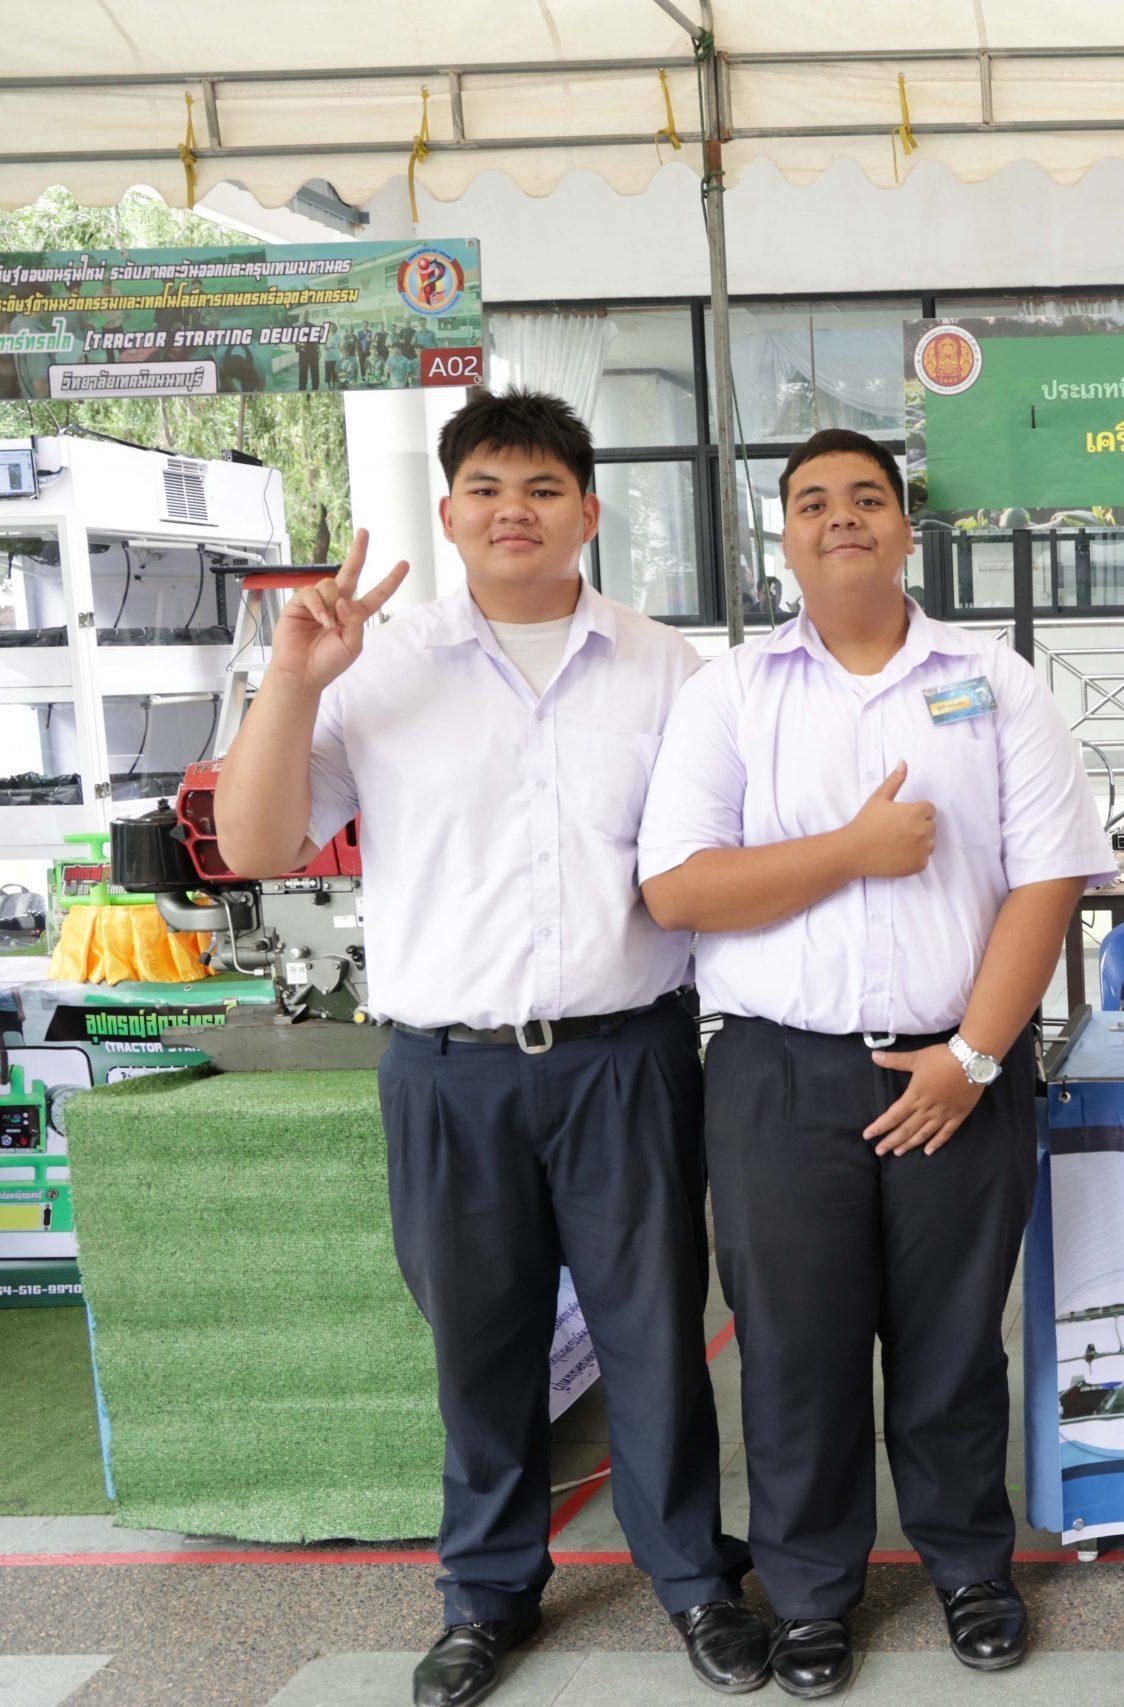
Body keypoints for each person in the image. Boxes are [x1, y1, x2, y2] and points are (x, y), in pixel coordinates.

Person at [212, 388, 762, 1707]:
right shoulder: (375, 664)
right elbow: (255, 843)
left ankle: (693, 1577)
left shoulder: (670, 669)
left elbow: (723, 856)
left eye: (543, 487)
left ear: (588, 511)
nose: (516, 510)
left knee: (652, 1335)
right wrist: (293, 678)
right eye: (487, 488)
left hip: (626, 1057)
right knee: (480, 1343)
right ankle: (488, 1593)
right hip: (448, 1070)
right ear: (450, 513)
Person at [639, 426, 1114, 1698]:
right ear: (784, 537)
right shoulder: (730, 695)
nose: (839, 516)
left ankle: (969, 1568)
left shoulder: (994, 681)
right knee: (793, 1352)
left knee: (954, 1341)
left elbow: (1048, 879)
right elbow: (681, 889)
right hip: (777, 1079)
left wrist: (973, 1054)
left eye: (865, 497)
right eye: (812, 501)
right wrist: (851, 850)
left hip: (961, 1071)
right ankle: (809, 1594)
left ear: (906, 528)